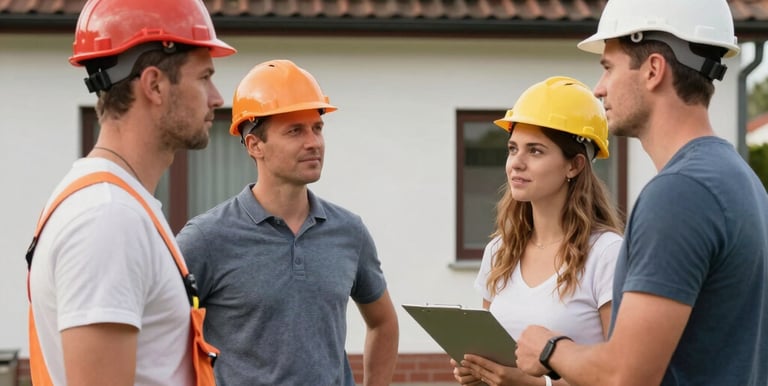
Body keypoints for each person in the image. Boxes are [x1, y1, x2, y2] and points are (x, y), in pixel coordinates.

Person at [514, 1, 768, 385]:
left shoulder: (680, 194)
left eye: (608, 68)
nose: (599, 89)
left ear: (653, 70)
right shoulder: (740, 180)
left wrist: (550, 349)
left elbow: (627, 375)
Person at [25, 0, 236, 384]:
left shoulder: (118, 205)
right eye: (204, 77)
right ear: (154, 84)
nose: (217, 98)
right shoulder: (107, 218)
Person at [176, 59, 399, 386]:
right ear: (255, 145)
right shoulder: (206, 239)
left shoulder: (349, 232)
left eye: (317, 128)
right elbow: (160, 335)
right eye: (295, 131)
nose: (313, 142)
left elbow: (383, 323)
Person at [451, 76, 624, 386]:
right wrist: (478, 371)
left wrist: (531, 383)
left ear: (575, 166)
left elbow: (623, 377)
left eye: (535, 151)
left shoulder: (607, 254)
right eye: (513, 148)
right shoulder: (500, 251)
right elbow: (496, 361)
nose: (516, 163)